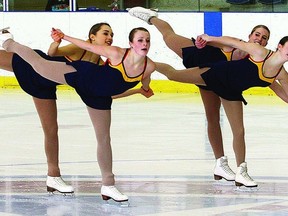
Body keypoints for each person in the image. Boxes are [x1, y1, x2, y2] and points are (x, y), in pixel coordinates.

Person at [127, 7, 280, 187]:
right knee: (169, 37)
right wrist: (202, 43)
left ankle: (220, 163)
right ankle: (152, 17)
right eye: (257, 34)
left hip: (215, 75)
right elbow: (216, 42)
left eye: (264, 38)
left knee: (212, 117)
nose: (259, 39)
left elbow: (269, 80)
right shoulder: (237, 44)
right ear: (250, 35)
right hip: (204, 55)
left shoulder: (260, 59)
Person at [0, 26, 155, 201]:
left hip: (80, 90)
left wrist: (141, 90)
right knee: (39, 65)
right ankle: (9, 43)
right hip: (50, 73)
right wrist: (62, 37)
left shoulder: (138, 66)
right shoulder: (112, 53)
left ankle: (107, 185)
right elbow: (56, 53)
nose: (110, 37)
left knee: (101, 137)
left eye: (148, 40)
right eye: (105, 33)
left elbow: (115, 89)